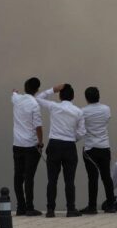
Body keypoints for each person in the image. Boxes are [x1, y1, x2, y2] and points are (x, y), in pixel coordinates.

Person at [35, 83, 86, 217]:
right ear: (73, 97)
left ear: (60, 96)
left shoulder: (54, 106)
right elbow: (82, 132)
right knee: (69, 181)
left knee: (52, 180)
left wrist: (53, 89)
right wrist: (72, 138)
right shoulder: (78, 111)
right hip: (69, 146)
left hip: (54, 145)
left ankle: (50, 210)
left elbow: (38, 99)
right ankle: (71, 209)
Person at [79, 86, 116, 215]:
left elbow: (81, 128)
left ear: (86, 98)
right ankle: (111, 205)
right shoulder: (106, 109)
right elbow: (106, 121)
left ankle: (92, 207)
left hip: (90, 148)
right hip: (104, 147)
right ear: (98, 96)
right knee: (106, 177)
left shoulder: (83, 111)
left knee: (92, 178)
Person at [11, 77, 44, 216]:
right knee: (29, 177)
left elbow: (13, 93)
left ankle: (20, 207)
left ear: (25, 87)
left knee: (18, 176)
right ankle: (30, 207)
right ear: (37, 90)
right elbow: (38, 126)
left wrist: (15, 92)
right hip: (31, 145)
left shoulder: (17, 99)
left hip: (17, 144)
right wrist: (40, 142)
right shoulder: (34, 104)